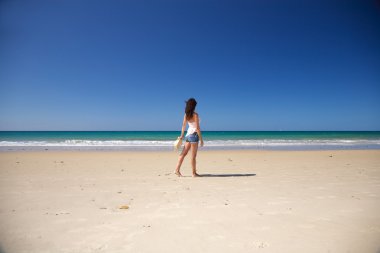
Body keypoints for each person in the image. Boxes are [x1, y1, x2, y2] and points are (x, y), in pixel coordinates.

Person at [174, 98, 204, 177]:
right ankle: (194, 173)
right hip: (194, 136)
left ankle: (177, 170)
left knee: (183, 153)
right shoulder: (195, 115)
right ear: (193, 106)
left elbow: (183, 126)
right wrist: (201, 140)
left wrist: (181, 135)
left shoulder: (186, 115)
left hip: (188, 135)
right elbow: (197, 128)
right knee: (193, 156)